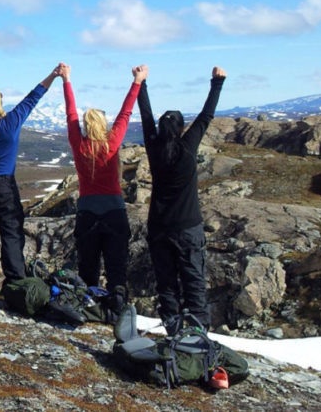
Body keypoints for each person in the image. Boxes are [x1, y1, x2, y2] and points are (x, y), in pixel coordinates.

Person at [138, 66, 226, 334]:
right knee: (194, 283)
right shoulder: (187, 148)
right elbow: (206, 115)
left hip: (159, 229)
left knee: (167, 285)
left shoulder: (153, 148)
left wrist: (140, 83)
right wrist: (217, 82)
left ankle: (173, 335)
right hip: (188, 228)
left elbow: (145, 116)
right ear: (180, 129)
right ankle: (198, 339)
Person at [0, 50, 59, 290]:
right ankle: (15, 283)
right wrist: (54, 75)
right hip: (4, 186)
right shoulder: (10, 123)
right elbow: (32, 98)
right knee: (11, 235)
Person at [59, 62, 146, 311]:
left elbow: (70, 113)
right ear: (103, 124)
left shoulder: (80, 145)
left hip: (87, 213)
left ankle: (90, 309)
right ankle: (117, 306)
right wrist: (137, 82)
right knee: (116, 267)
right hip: (115, 212)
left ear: (87, 126)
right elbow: (126, 112)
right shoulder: (112, 142)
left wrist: (66, 79)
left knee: (88, 268)